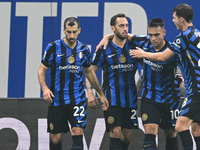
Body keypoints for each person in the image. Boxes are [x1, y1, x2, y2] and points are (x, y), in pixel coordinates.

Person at [96, 18, 182, 150]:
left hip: (170, 98)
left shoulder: (172, 49)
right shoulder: (143, 42)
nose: (153, 38)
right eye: (150, 35)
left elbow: (184, 65)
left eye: (157, 35)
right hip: (149, 98)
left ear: (164, 32)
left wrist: (180, 76)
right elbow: (123, 34)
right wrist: (107, 36)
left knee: (170, 133)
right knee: (150, 131)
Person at [130, 4, 200, 150]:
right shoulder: (196, 33)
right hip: (161, 96)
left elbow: (162, 57)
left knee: (180, 125)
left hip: (196, 91)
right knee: (196, 129)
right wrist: (108, 37)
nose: (173, 20)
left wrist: (143, 54)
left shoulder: (184, 37)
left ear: (181, 19)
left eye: (174, 18)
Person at [38, 17, 109, 150]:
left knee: (77, 131)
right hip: (57, 99)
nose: (71, 35)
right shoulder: (53, 47)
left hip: (77, 99)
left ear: (79, 31)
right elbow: (41, 70)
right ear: (64, 30)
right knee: (55, 138)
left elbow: (89, 73)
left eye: (74, 32)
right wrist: (45, 88)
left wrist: (100, 94)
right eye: (69, 32)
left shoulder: (83, 50)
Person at [86, 13, 139, 150]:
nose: (125, 29)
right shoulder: (104, 49)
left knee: (127, 136)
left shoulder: (135, 46)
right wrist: (90, 92)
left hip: (130, 99)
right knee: (115, 132)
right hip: (111, 99)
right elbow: (90, 72)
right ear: (113, 28)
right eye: (121, 26)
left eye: (127, 25)